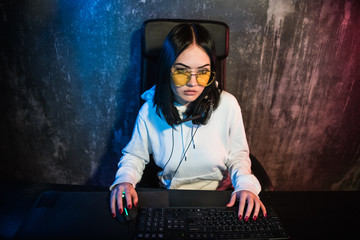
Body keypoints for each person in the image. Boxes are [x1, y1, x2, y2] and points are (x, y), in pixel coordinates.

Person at [110, 23, 266, 221]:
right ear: (168, 69)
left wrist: (245, 186)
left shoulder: (228, 105)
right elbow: (135, 156)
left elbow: (238, 156)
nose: (193, 82)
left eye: (202, 72)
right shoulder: (150, 110)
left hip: (220, 197)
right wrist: (124, 181)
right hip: (169, 198)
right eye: (182, 71)